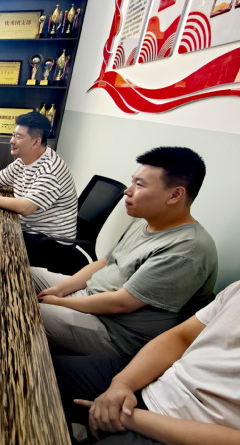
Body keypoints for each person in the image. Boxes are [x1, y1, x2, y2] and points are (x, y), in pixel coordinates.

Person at [36, 236, 240, 445]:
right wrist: (122, 385)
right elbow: (180, 338)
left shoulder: (189, 248)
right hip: (158, 388)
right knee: (29, 379)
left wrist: (128, 417)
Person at [32, 146, 217, 363]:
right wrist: (60, 290)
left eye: (140, 185)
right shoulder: (144, 222)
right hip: (89, 296)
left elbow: (121, 303)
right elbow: (104, 262)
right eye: (132, 182)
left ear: (175, 195)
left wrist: (58, 303)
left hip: (113, 330)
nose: (127, 191)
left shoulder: (186, 250)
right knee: (18, 274)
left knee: (19, 314)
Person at [0, 111, 77, 270]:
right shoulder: (23, 161)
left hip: (50, 243)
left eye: (19, 137)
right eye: (13, 135)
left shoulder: (51, 170)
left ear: (36, 142)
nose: (12, 141)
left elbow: (25, 207)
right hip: (29, 230)